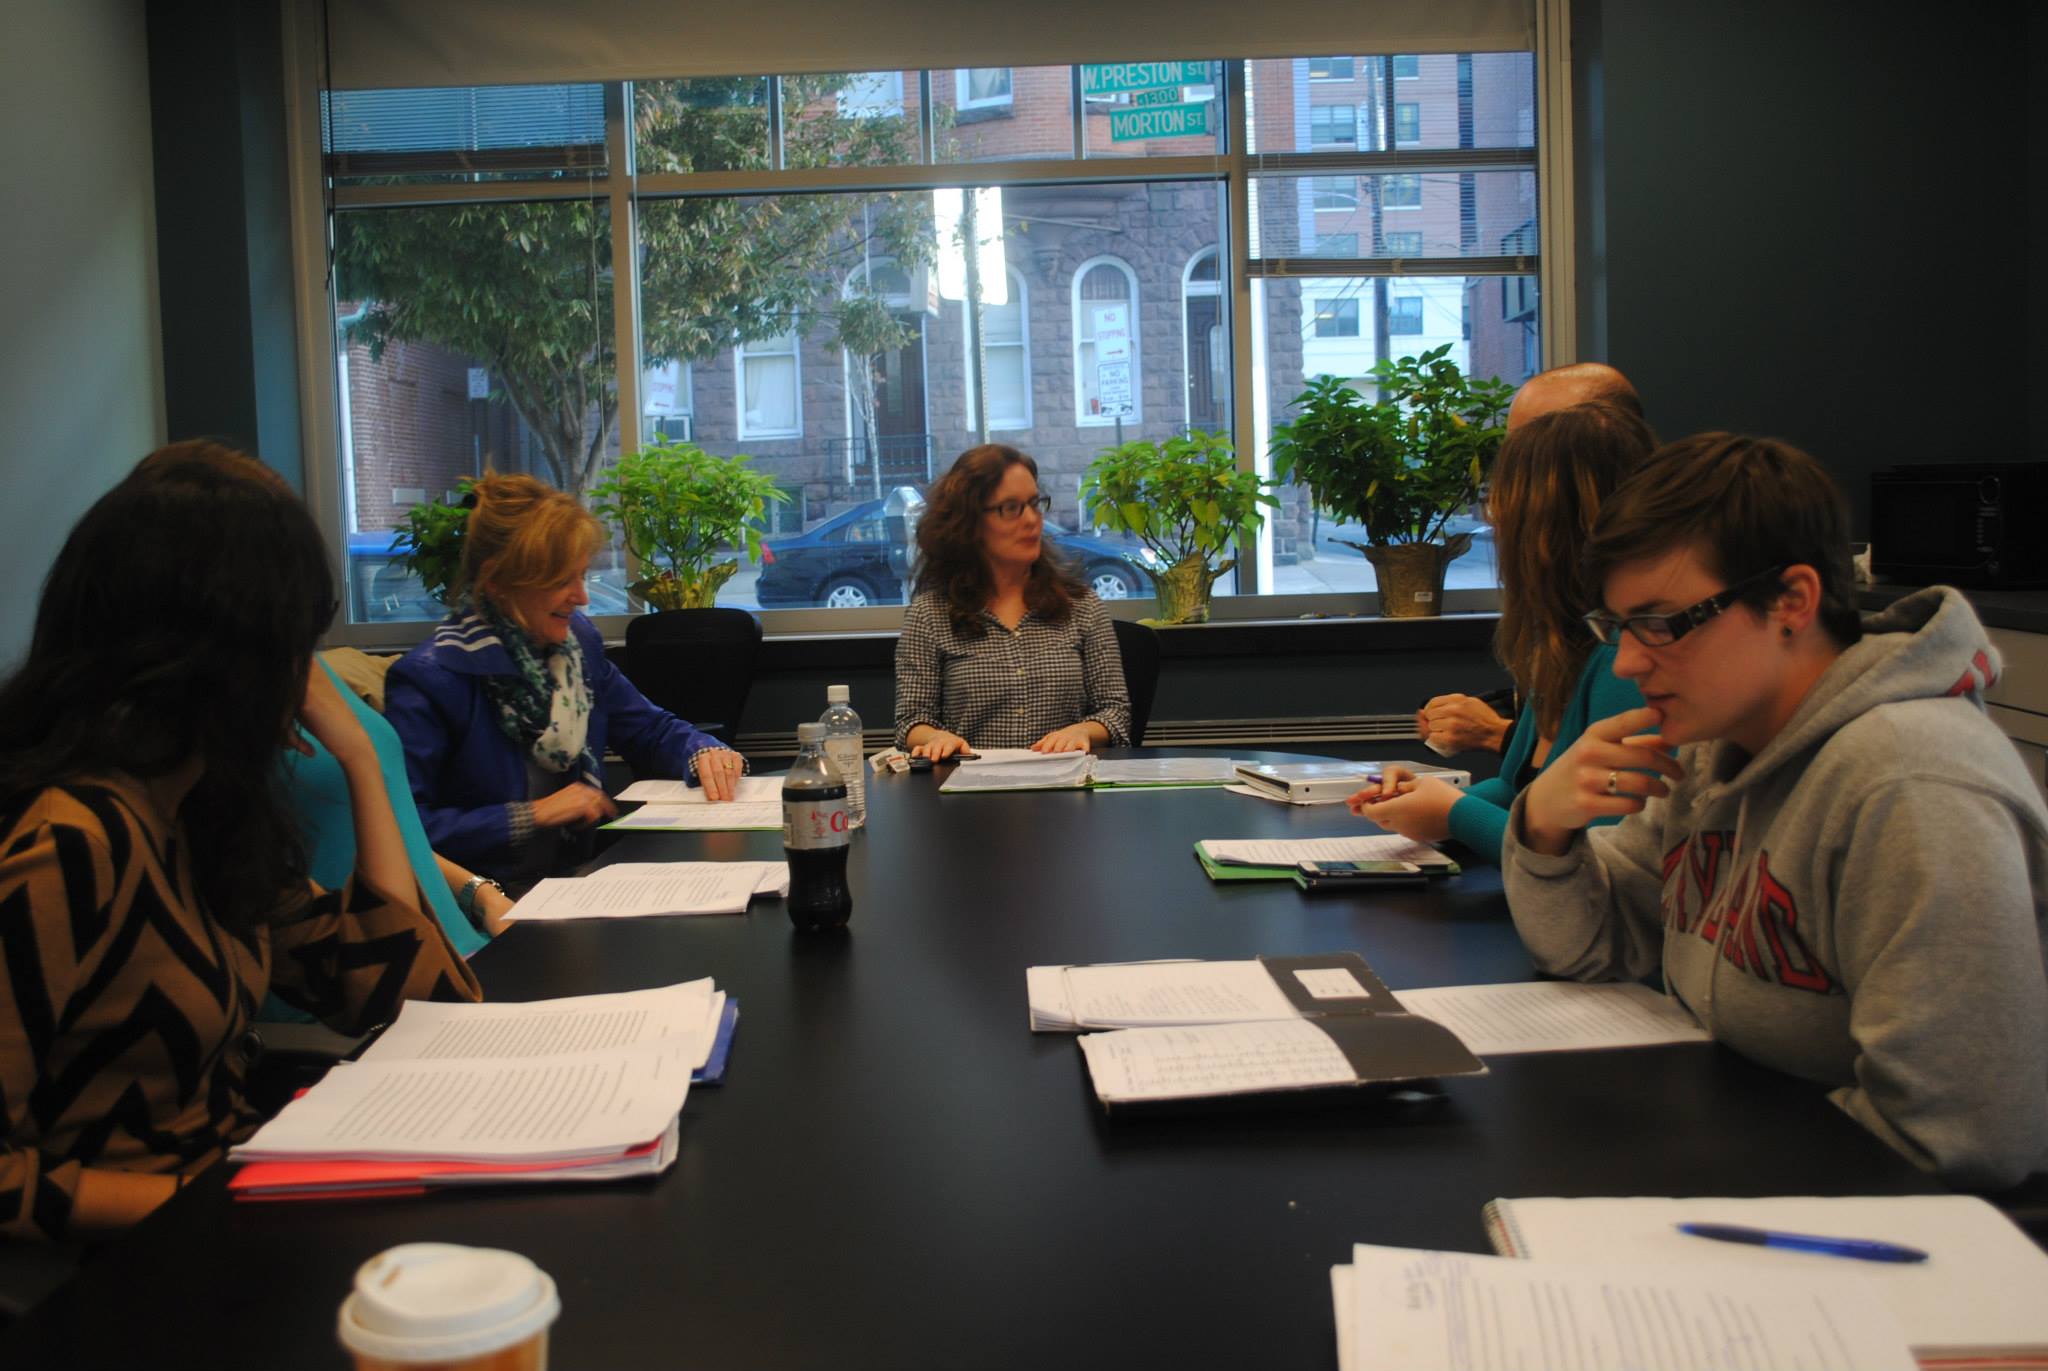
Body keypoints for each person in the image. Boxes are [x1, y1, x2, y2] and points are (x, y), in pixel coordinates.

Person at [1504, 434, 2048, 1189]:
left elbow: (1961, 1140)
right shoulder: (1718, 740)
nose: (1627, 661)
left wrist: (1701, 1161)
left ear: (1791, 600)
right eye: (1619, 626)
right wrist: (1544, 826)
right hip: (1762, 1156)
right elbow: (1596, 946)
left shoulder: (1913, 784)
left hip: (1896, 1229)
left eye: (1662, 622)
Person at [0, 443, 481, 1242]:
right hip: (138, 1259)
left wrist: (361, 758)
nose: (306, 678)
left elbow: (411, 997)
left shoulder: (200, 817)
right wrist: (210, 1203)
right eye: (293, 647)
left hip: (235, 1213)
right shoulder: (72, 842)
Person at [385, 474, 745, 889]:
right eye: (561, 581)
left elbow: (649, 729)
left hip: (578, 881)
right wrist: (533, 814)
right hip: (488, 900)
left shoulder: (576, 647)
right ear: (499, 582)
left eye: (582, 576)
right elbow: (402, 831)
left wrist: (703, 751)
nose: (582, 597)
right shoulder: (433, 678)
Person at [1352, 403, 1653, 860]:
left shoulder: (1623, 661)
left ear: (1548, 525)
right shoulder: (1560, 645)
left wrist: (1454, 814)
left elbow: (1601, 860)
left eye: (1501, 500)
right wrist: (1425, 799)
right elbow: (1516, 791)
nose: (1492, 518)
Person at [1417, 361, 1646, 756]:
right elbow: (1527, 783)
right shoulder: (1560, 629)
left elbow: (1585, 791)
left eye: (1533, 456)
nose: (1498, 509)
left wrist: (1494, 735)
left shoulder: (1624, 648)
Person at [894, 445, 1131, 759]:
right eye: (1010, 508)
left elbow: (1116, 712)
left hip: (1064, 782)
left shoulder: (1081, 605)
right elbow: (911, 722)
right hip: (971, 783)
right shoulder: (930, 614)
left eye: (1034, 504)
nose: (1032, 519)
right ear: (969, 522)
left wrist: (1083, 731)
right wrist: (936, 737)